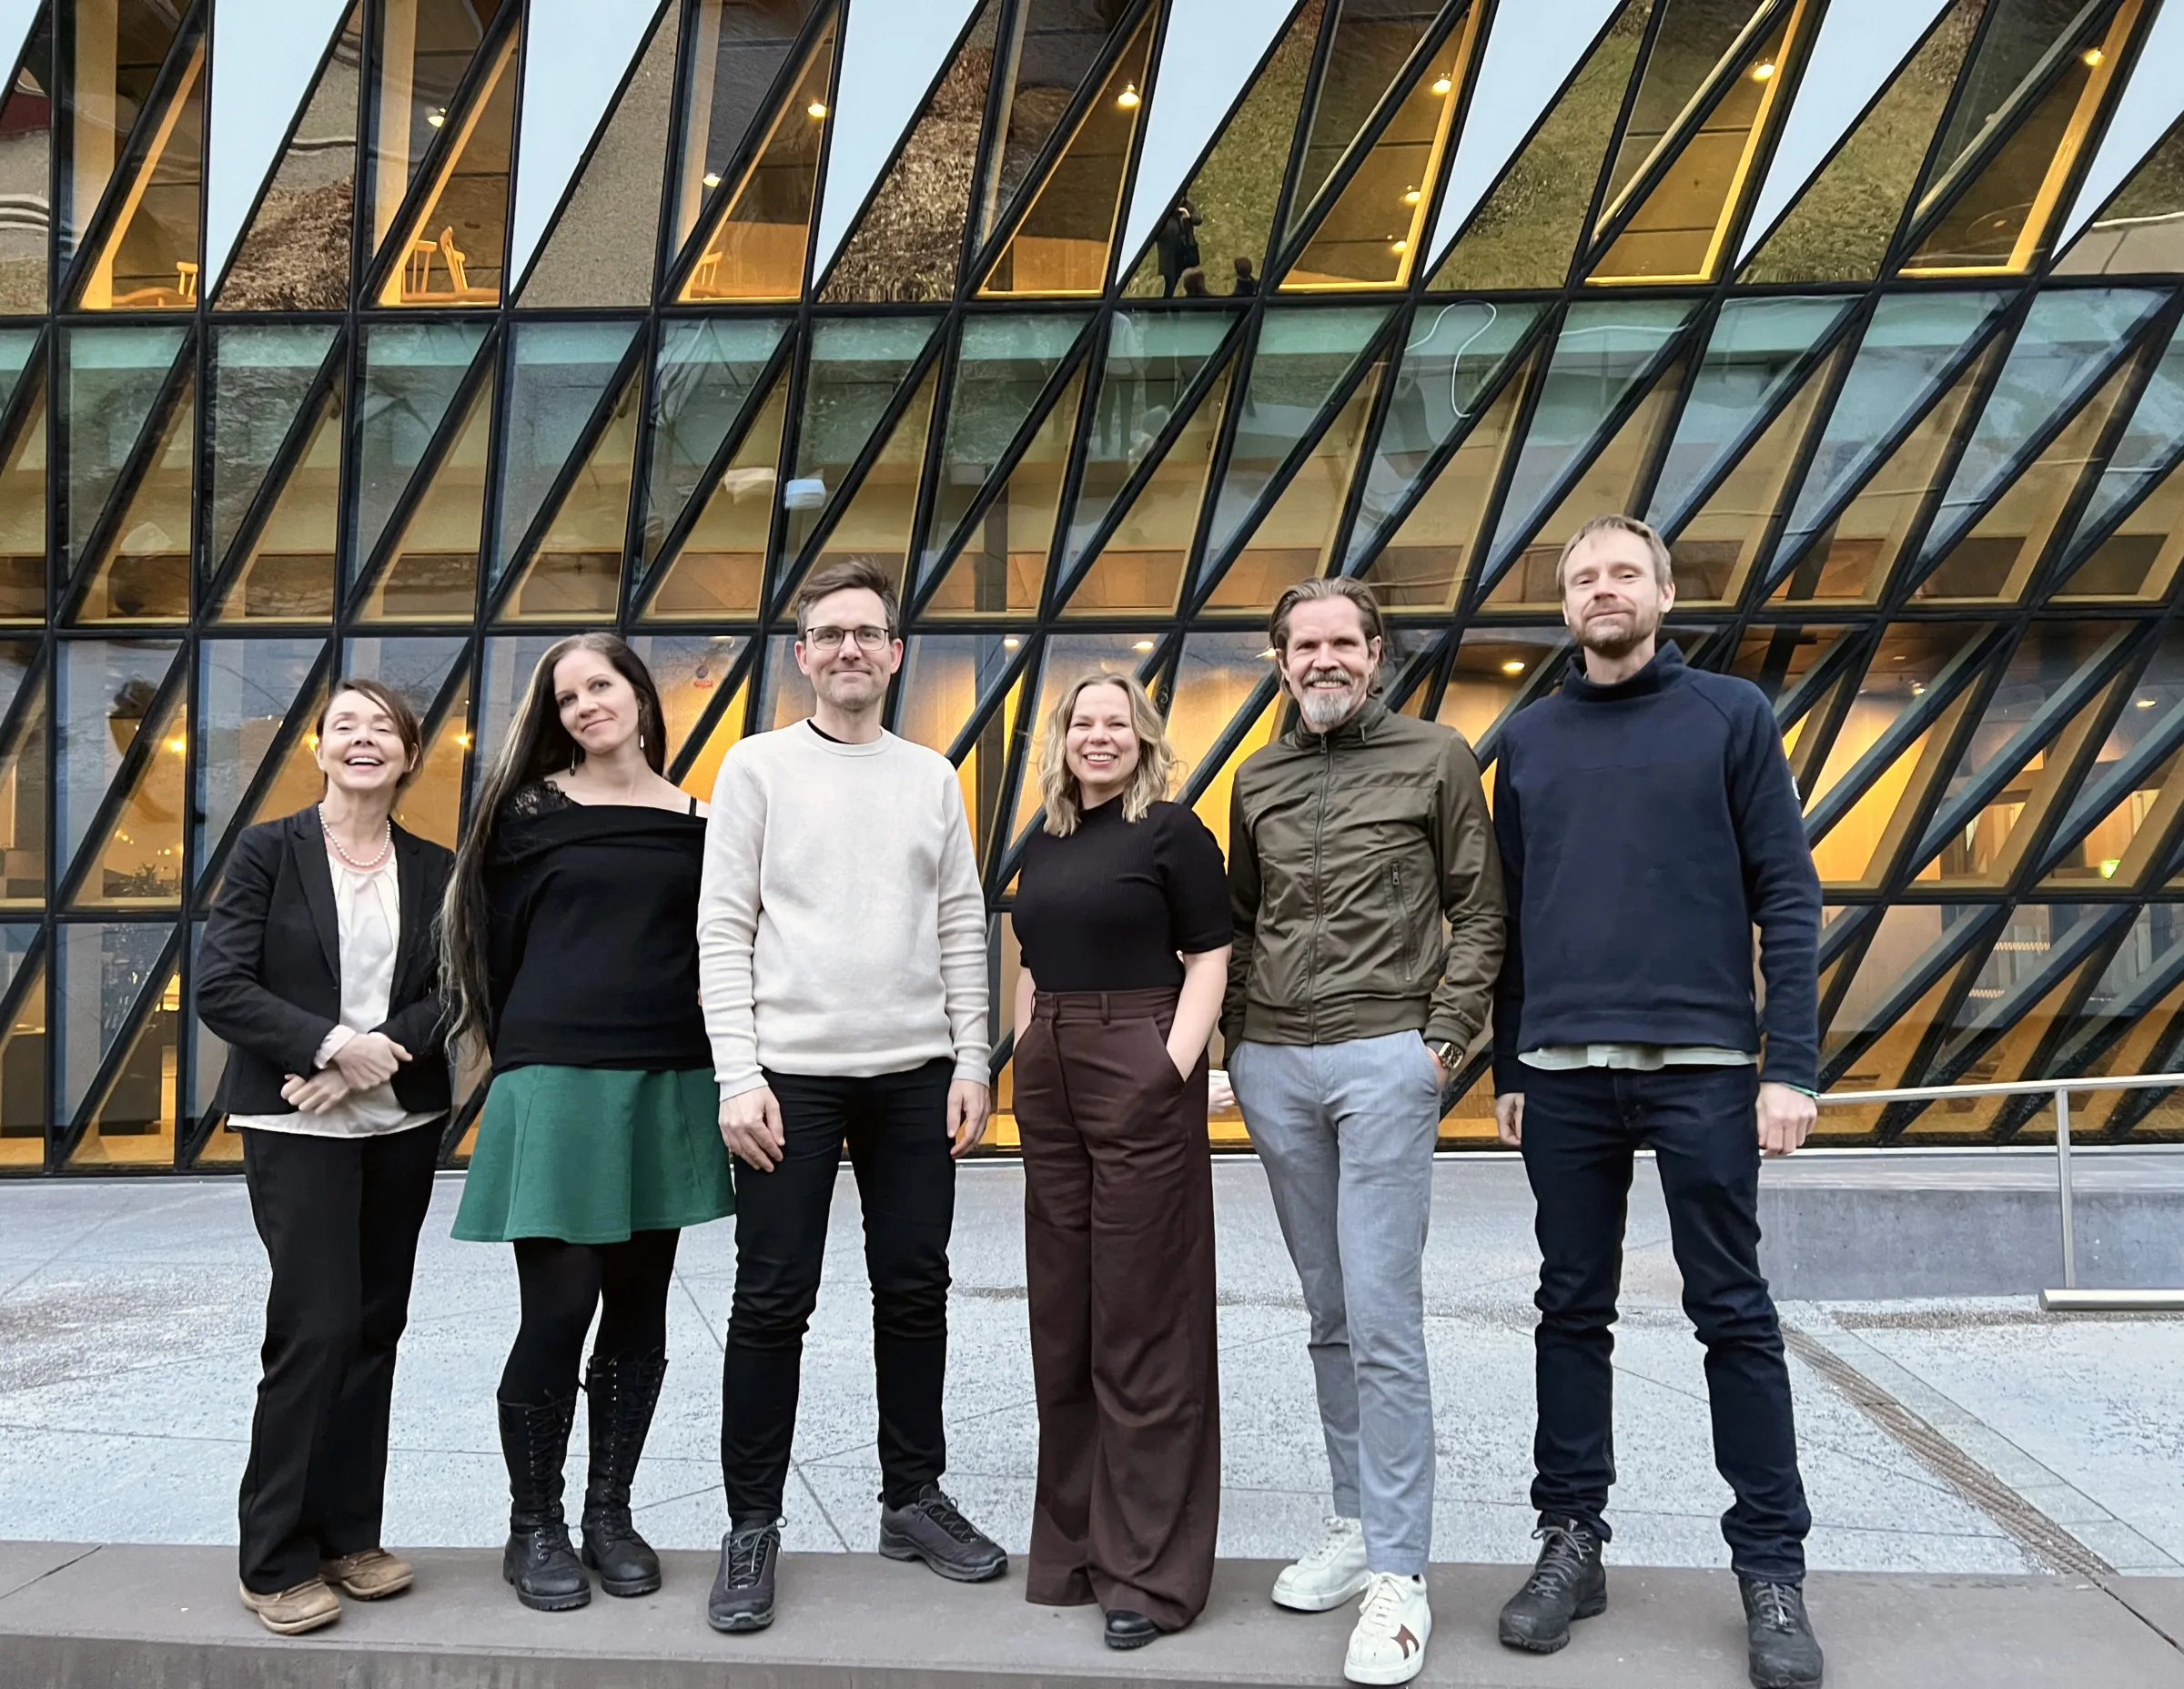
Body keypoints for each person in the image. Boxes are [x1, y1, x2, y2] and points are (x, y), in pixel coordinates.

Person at [1490, 514, 1825, 1689]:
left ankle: (1772, 1571)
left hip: (1706, 1071)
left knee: (1733, 1313)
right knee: (1569, 1312)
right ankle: (1570, 1542)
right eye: (1582, 578)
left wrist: (1794, 1067)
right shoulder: (1527, 741)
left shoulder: (1731, 717)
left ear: (1666, 593)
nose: (1602, 590)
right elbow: (1514, 918)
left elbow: (1787, 892)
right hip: (1566, 1075)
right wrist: (1509, 1064)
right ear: (1566, 607)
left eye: (1623, 572)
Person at [700, 557, 1004, 1633]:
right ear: (802, 655)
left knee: (915, 1290)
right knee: (773, 1301)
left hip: (916, 1075)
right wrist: (737, 1073)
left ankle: (910, 1498)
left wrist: (973, 1058)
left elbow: (962, 923)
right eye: (828, 634)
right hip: (790, 1076)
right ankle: (751, 1525)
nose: (848, 650)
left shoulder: (930, 775)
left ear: (894, 651)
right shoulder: (755, 767)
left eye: (866, 633)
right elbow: (723, 926)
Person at [1224, 577, 1503, 1687]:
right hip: (1278, 1064)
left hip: (1388, 1054)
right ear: (1280, 657)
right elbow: (1244, 919)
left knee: (1385, 1314)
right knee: (1330, 1310)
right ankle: (1352, 1520)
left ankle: (1401, 1572)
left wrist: (1440, 1044)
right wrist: (1242, 1039)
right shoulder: (1256, 775)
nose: (1325, 659)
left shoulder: (1439, 757)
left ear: (1377, 653)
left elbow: (1479, 909)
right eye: (1306, 644)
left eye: (1345, 641)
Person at [443, 633, 733, 1613]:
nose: (583, 705)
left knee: (641, 1313)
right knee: (559, 1310)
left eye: (599, 684)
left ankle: (612, 1513)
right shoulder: (525, 818)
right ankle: (536, 1522)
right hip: (558, 1079)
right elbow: (492, 949)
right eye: (566, 696)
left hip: (666, 1078)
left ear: (641, 695)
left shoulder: (704, 820)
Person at [198, 681, 454, 1637]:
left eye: (381, 727)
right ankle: (272, 1557)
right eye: (344, 724)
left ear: (409, 752)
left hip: (398, 1125)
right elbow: (223, 985)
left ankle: (350, 1534)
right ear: (317, 747)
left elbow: (457, 985)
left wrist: (366, 1057)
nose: (362, 738)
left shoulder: (435, 865)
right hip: (296, 1128)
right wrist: (327, 1048)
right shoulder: (270, 851)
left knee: (374, 1325)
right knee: (316, 1325)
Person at [1011, 673, 1230, 1651]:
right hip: (1052, 1064)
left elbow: (1211, 956)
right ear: (1059, 738)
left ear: (1143, 737)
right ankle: (1072, 1549)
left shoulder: (1172, 832)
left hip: (1137, 1051)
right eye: (1082, 722)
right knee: (1066, 1311)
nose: (1098, 736)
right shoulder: (1044, 839)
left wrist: (1170, 1067)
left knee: (1144, 1314)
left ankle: (1148, 1571)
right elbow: (1028, 959)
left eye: (1117, 722)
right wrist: (1024, 1049)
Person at [1155, 197, 1203, 297]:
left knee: (1191, 281)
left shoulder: (1187, 205)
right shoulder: (1163, 212)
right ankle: (1165, 307)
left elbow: (1198, 220)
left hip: (1186, 253)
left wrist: (1187, 215)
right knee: (1171, 284)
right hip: (1170, 256)